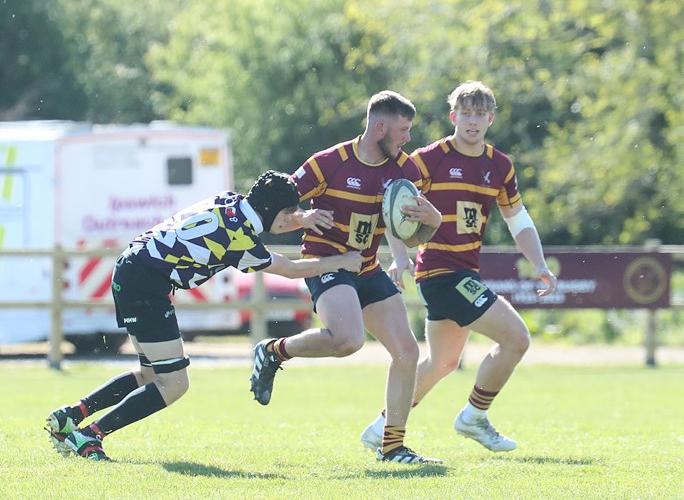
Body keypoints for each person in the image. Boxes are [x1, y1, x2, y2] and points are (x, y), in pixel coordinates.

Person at [45, 170, 363, 461]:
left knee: (152, 374)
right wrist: (342, 261)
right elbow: (291, 269)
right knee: (174, 383)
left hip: (133, 268)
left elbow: (267, 222)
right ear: (273, 212)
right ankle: (90, 435)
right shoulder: (240, 237)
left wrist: (301, 219)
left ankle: (71, 416)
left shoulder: (230, 201)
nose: (292, 219)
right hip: (146, 285)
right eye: (288, 214)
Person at [360, 81, 557, 453]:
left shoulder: (499, 165)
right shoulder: (429, 159)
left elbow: (518, 218)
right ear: (453, 116)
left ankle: (380, 428)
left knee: (442, 363)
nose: (473, 121)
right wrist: (399, 257)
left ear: (491, 119)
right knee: (516, 338)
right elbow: (392, 204)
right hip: (440, 273)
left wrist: (540, 264)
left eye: (480, 114)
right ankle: (474, 417)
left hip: (465, 272)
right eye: (466, 113)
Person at [249, 90, 444, 464]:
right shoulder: (329, 163)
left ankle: (392, 447)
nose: (408, 139)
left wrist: (431, 222)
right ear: (380, 127)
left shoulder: (406, 171)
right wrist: (302, 218)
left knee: (408, 351)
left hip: (366, 267)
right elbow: (270, 214)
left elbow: (409, 234)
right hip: (326, 264)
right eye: (403, 130)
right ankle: (273, 351)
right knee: (349, 340)